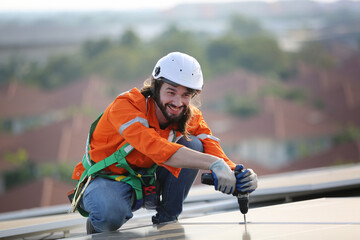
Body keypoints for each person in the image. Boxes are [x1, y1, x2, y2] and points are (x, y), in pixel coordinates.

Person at [70, 52, 258, 234]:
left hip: (147, 181)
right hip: (108, 181)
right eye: (171, 92)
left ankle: (167, 221)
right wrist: (214, 164)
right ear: (155, 86)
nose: (178, 102)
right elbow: (155, 147)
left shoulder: (188, 116)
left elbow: (210, 146)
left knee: (194, 145)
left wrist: (237, 173)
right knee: (109, 213)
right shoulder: (126, 106)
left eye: (186, 95)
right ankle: (98, 225)